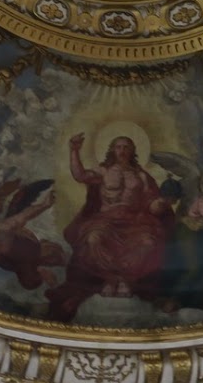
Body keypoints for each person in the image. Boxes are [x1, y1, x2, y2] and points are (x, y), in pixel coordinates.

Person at [45, 135, 173, 321]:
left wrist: (161, 203)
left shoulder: (142, 176)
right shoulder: (103, 171)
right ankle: (111, 278)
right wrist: (74, 150)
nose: (122, 150)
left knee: (148, 243)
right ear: (112, 150)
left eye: (126, 147)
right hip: (106, 220)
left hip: (136, 222)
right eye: (118, 147)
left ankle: (125, 279)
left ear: (133, 151)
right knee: (93, 239)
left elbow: (151, 204)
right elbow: (80, 175)